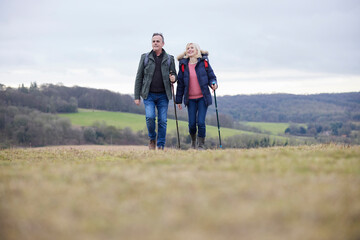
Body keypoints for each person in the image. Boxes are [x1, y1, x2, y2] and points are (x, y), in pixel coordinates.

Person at [134, 33, 177, 150]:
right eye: (153, 41)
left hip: (163, 95)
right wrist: (136, 96)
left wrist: (173, 77)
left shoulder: (169, 59)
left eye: (158, 41)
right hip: (148, 95)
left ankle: (161, 145)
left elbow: (174, 74)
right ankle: (152, 139)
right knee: (150, 117)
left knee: (163, 121)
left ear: (163, 44)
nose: (155, 43)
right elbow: (139, 77)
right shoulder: (145, 58)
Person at [175, 43, 217, 150]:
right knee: (192, 124)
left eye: (191, 48)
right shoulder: (183, 65)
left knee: (201, 122)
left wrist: (213, 83)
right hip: (191, 100)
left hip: (203, 98)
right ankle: (193, 142)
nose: (189, 50)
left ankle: (201, 145)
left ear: (197, 50)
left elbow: (211, 76)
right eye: (187, 48)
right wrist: (178, 100)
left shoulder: (204, 63)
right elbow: (180, 84)